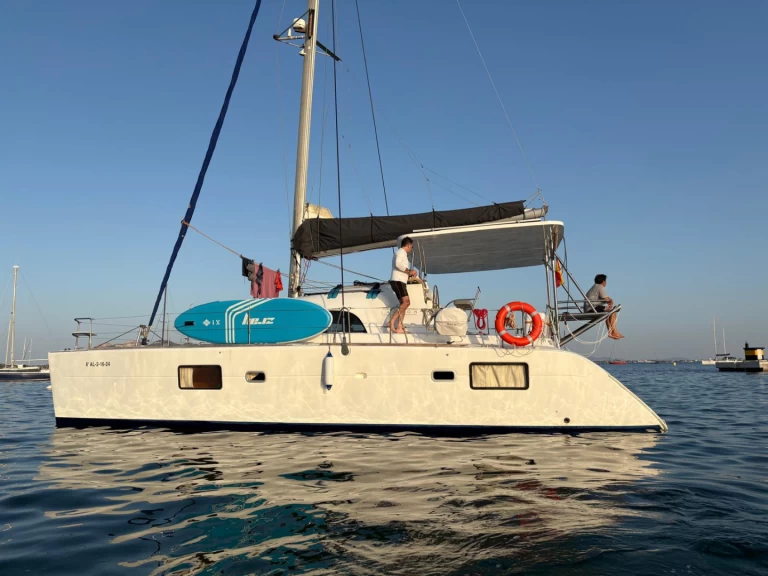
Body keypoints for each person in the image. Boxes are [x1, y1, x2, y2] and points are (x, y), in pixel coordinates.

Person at [389, 237, 418, 333]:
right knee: (406, 302)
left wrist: (408, 274)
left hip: (400, 281)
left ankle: (399, 327)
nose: (411, 249)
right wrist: (409, 271)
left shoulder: (401, 253)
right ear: (409, 245)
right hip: (398, 281)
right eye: (412, 247)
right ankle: (391, 322)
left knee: (403, 305)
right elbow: (398, 264)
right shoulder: (401, 252)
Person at [585, 274, 624, 340]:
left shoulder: (595, 286)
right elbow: (606, 298)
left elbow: (603, 298)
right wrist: (611, 300)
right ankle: (614, 331)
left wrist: (609, 302)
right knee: (613, 311)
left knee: (608, 312)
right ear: (603, 281)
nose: (606, 282)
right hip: (592, 308)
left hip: (590, 307)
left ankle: (611, 332)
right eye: (605, 281)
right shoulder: (600, 287)